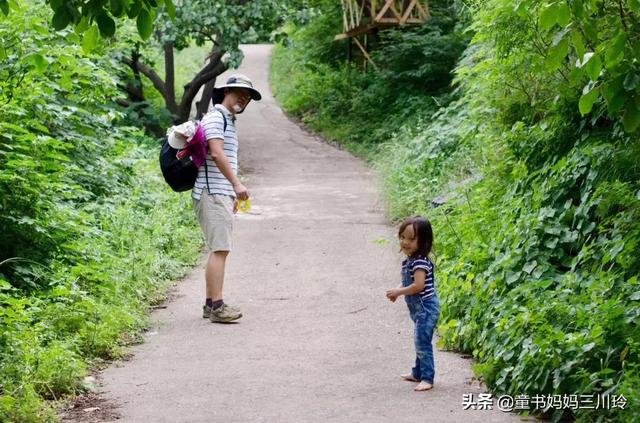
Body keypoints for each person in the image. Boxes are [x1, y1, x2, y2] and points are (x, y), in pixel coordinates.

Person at [193, 74, 261, 323]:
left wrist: (232, 192)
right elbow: (216, 153)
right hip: (212, 192)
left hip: (219, 192)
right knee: (220, 248)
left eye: (248, 96)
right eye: (239, 92)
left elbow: (224, 157)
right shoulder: (216, 117)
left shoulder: (227, 120)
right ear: (226, 91)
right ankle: (218, 307)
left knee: (218, 249)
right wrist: (236, 183)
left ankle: (211, 305)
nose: (244, 98)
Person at [386, 216, 441, 391]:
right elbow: (407, 281)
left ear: (423, 241)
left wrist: (399, 292)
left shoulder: (419, 262)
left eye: (411, 239)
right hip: (419, 311)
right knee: (420, 341)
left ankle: (427, 378)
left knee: (422, 342)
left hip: (426, 309)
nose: (405, 242)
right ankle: (417, 373)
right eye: (402, 237)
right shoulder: (411, 260)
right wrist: (397, 290)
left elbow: (418, 286)